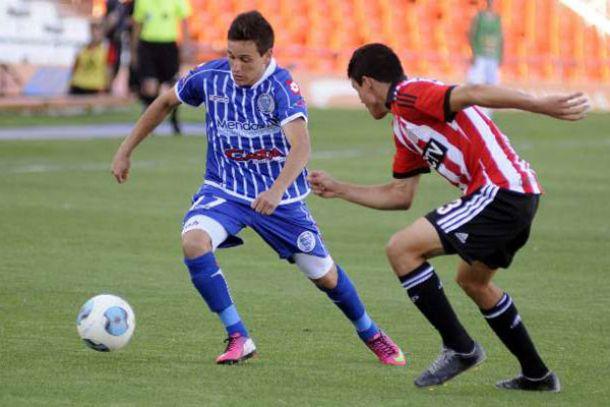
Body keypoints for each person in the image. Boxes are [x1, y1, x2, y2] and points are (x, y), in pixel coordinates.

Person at [111, 12, 405, 366]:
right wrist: (125, 150)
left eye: (246, 59)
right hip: (224, 190)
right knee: (193, 242)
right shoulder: (211, 76)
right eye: (231, 56)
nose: (236, 66)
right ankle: (238, 335)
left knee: (325, 276)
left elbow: (301, 146)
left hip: (281, 200)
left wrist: (276, 190)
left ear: (267, 56)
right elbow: (163, 102)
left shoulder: (281, 87)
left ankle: (371, 333)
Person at [309, 43, 589, 391]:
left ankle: (460, 348)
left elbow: (474, 92)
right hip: (515, 195)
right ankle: (537, 375)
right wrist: (340, 189)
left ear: (367, 83)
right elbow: (400, 196)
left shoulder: (409, 94)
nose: (362, 101)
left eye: (357, 91)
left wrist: (540, 104)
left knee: (401, 249)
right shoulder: (403, 126)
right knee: (474, 282)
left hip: (500, 190)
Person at [131, 0, 192, 135]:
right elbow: (137, 24)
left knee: (172, 85)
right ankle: (148, 123)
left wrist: (186, 44)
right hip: (148, 46)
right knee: (150, 87)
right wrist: (134, 50)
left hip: (168, 46)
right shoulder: (142, 2)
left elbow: (184, 21)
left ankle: (174, 120)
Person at [467, 0, 503, 117]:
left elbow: (501, 37)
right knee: (475, 83)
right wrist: (473, 52)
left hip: (493, 55)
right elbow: (471, 33)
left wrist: (501, 55)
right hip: (480, 54)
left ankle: (488, 114)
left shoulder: (497, 18)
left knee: (492, 85)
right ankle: (471, 111)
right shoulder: (479, 17)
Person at [69, 21, 111, 95]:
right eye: (94, 30)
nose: (96, 33)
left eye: (98, 30)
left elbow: (109, 69)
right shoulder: (82, 48)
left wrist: (107, 87)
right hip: (77, 85)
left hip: (96, 87)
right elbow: (75, 67)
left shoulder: (107, 48)